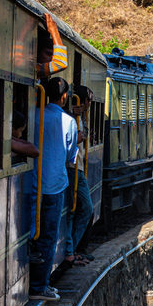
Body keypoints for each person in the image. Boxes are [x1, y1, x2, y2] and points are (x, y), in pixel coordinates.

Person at [25, 76, 77, 301]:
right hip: (54, 185)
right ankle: (39, 286)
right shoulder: (68, 121)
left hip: (29, 182)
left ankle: (30, 283)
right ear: (65, 97)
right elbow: (69, 155)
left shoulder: (33, 115)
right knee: (48, 235)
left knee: (31, 235)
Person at [65, 86, 95, 266]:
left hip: (78, 167)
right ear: (83, 101)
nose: (90, 105)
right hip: (72, 167)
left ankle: (74, 249)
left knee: (80, 209)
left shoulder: (80, 117)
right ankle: (73, 249)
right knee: (85, 208)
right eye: (90, 101)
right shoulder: (70, 117)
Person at [36, 13, 68, 78]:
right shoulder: (34, 68)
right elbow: (61, 64)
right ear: (38, 53)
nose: (52, 58)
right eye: (48, 54)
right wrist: (54, 31)